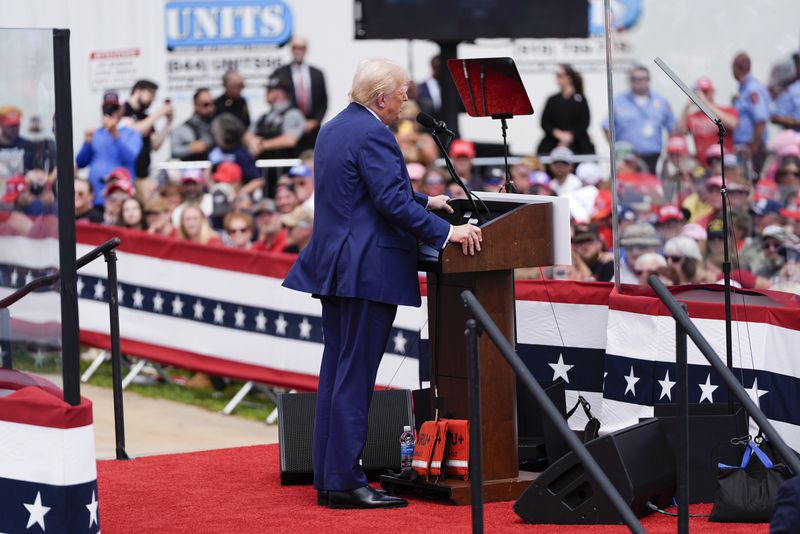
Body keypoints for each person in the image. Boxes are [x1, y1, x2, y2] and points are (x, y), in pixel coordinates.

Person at [282, 58, 481, 509]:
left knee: (337, 371)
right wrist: (449, 232)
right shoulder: (375, 133)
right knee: (355, 377)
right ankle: (346, 483)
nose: (407, 99)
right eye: (403, 91)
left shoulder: (335, 127)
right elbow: (388, 202)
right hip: (365, 271)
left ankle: (330, 476)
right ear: (381, 97)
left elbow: (368, 192)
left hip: (337, 267)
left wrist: (425, 201)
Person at [603, 65, 676, 173]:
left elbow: (673, 128)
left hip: (653, 157)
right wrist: (615, 149)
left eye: (642, 79)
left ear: (648, 80)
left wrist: (670, 153)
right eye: (634, 79)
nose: (638, 82)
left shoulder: (661, 101)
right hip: (627, 159)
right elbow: (606, 127)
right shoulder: (619, 101)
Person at [76, 92, 143, 207]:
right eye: (106, 109)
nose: (111, 112)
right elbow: (80, 162)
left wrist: (115, 133)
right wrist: (87, 143)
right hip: (96, 198)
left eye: (114, 108)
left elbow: (130, 156)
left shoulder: (132, 133)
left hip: (120, 199)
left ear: (121, 109)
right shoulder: (96, 133)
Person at [272, 36, 328, 151]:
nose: (298, 51)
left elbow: (323, 101)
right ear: (291, 50)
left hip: (312, 130)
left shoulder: (317, 73)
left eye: (301, 48)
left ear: (306, 49)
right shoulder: (280, 73)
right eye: (295, 48)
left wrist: (315, 121)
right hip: (289, 130)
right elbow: (277, 101)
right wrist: (296, 122)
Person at [675, 77, 739, 167]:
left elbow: (732, 124)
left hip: (724, 165)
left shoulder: (727, 110)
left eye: (705, 92)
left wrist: (705, 102)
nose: (701, 96)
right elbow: (678, 133)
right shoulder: (693, 116)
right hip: (702, 166)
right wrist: (686, 107)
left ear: (713, 92)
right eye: (699, 93)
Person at [537, 64, 594, 156]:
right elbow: (545, 122)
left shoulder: (581, 99)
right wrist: (559, 134)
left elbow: (584, 122)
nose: (557, 79)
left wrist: (570, 136)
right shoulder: (552, 99)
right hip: (552, 142)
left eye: (560, 75)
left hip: (577, 143)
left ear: (569, 77)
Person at [121, 79, 174, 179]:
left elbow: (155, 145)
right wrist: (158, 113)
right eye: (150, 94)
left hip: (143, 173)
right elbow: (133, 131)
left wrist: (168, 123)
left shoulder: (146, 117)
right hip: (126, 173)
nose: (152, 100)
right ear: (138, 91)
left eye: (154, 97)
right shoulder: (123, 110)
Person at [732, 53, 771, 176]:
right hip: (744, 148)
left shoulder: (752, 89)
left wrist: (754, 148)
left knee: (750, 184)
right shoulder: (745, 89)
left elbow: (761, 120)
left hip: (752, 147)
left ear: (736, 68)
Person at [251, 76, 305, 159]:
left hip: (286, 168)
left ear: (280, 92)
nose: (266, 93)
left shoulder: (293, 114)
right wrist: (252, 141)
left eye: (269, 90)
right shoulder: (264, 117)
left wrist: (263, 145)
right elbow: (249, 134)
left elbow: (290, 140)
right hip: (265, 169)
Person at [171, 87, 216, 161]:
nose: (210, 108)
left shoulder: (218, 125)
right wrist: (190, 149)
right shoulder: (184, 128)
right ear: (195, 104)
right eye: (205, 104)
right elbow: (172, 150)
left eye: (212, 104)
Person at [0, 106, 35, 176]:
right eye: (11, 125)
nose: (15, 128)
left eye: (17, 125)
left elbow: (33, 170)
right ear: (1, 125)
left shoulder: (27, 144)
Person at [415, 55, 443, 120]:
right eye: (438, 67)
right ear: (433, 67)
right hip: (427, 127)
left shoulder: (452, 88)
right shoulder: (421, 88)